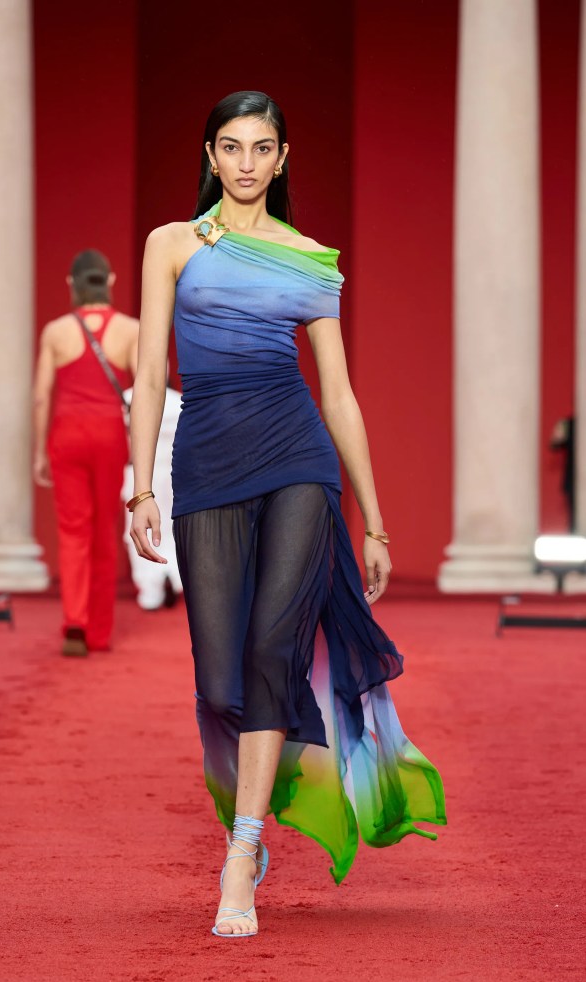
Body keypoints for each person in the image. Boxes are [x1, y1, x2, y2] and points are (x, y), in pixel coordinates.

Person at [129, 91, 446, 938]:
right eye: (230, 146)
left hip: (297, 459)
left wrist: (373, 520)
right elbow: (152, 374)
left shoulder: (310, 259)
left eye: (260, 147)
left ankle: (242, 849)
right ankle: (261, 802)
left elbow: (337, 395)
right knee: (218, 680)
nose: (244, 162)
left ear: (281, 158)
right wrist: (141, 487)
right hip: (206, 464)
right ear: (209, 155)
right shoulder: (172, 244)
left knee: (272, 649)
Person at [33, 250, 138, 656]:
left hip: (67, 435)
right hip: (109, 436)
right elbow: (147, 391)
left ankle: (75, 623)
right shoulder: (130, 329)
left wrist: (40, 451)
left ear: (70, 283)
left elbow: (41, 396)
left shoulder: (56, 331)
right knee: (104, 530)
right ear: (109, 281)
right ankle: (99, 633)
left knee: (73, 530)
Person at [122, 382, 183, 609]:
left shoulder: (128, 398)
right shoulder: (179, 401)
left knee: (140, 529)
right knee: (172, 527)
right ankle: (174, 575)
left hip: (139, 474)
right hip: (173, 472)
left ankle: (150, 589)